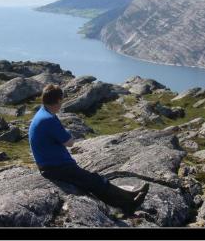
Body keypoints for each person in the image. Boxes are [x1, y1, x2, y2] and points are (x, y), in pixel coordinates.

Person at [28, 84, 150, 214]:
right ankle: (128, 204)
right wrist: (67, 133)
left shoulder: (43, 113)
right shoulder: (49, 119)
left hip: (50, 164)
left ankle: (130, 196)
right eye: (61, 100)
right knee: (94, 181)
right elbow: (69, 142)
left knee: (93, 180)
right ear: (58, 100)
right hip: (55, 167)